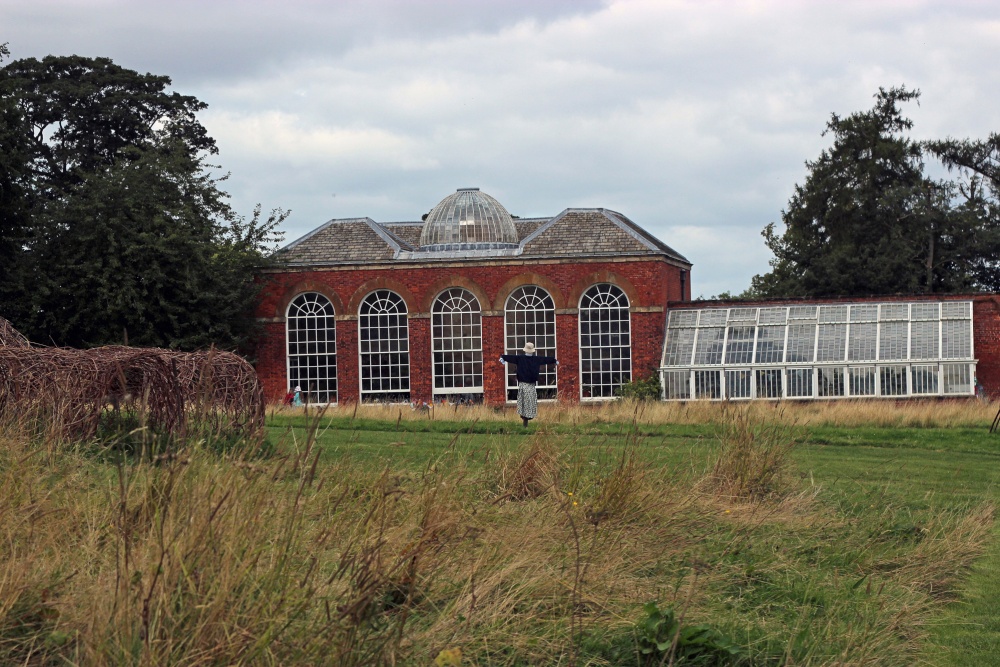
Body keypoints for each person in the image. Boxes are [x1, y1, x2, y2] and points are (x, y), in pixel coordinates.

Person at [500, 342, 558, 427]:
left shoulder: (522, 358)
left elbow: (511, 358)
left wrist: (503, 358)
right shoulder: (532, 359)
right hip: (528, 384)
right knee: (528, 401)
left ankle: (525, 417)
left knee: (526, 402)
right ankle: (526, 417)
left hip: (525, 384)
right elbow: (545, 359)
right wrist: (554, 360)